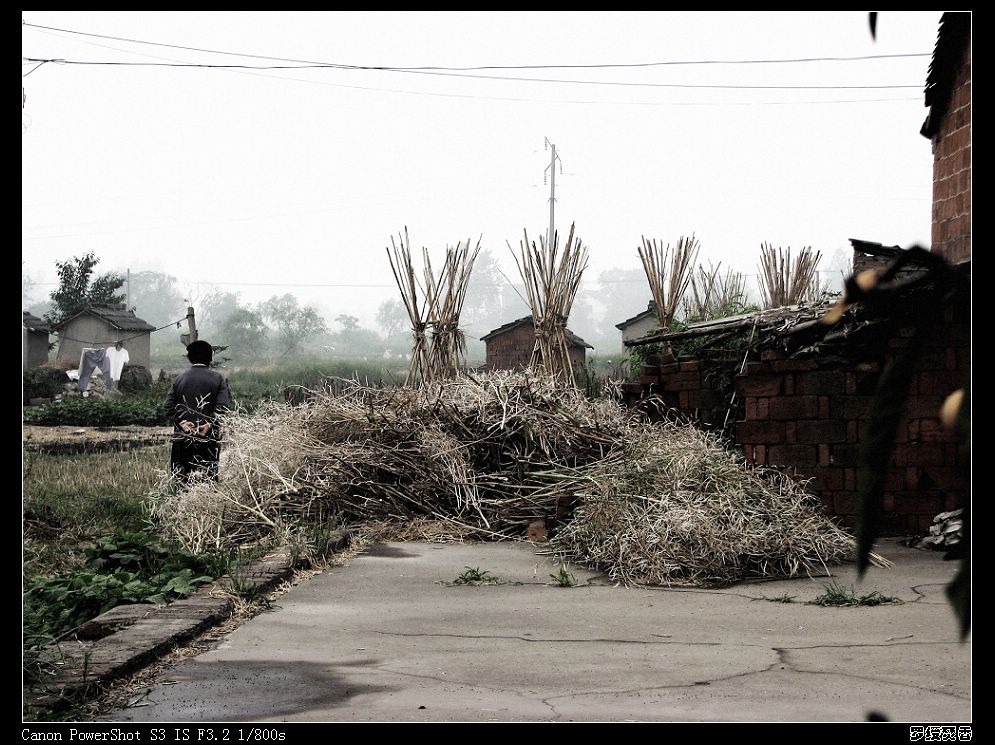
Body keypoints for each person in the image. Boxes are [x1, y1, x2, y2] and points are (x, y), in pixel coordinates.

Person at [164, 340, 231, 483]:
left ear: (190, 358)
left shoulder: (179, 379)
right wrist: (208, 424)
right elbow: (222, 408)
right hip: (208, 440)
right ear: (210, 358)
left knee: (182, 481)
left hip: (182, 439)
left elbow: (168, 406)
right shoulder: (218, 379)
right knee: (207, 481)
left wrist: (182, 423)